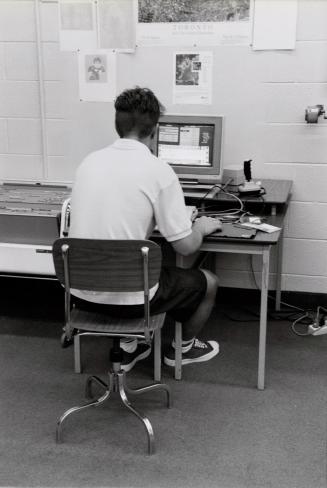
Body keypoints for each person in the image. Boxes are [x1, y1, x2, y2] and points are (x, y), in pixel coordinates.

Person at [68, 87, 222, 372]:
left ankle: (130, 344)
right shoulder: (158, 170)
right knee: (209, 281)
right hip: (131, 299)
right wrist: (199, 226)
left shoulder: (88, 164)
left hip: (80, 294)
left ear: (117, 125)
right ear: (156, 129)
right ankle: (182, 350)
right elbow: (186, 247)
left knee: (134, 265)